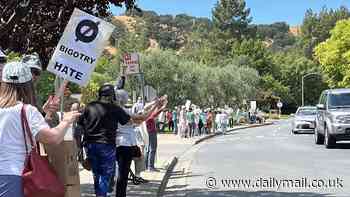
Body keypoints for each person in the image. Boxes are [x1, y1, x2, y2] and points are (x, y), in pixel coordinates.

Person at [0, 61, 80, 197]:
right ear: (28, 85)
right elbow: (53, 138)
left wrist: (44, 114)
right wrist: (66, 121)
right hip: (15, 175)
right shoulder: (26, 110)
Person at [77, 84, 132, 197]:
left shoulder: (90, 106)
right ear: (112, 96)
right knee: (105, 175)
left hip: (90, 145)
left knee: (97, 174)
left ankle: (100, 194)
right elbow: (128, 121)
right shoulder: (115, 108)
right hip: (106, 146)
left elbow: (80, 124)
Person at [114, 89, 163, 197]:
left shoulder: (117, 110)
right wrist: (155, 106)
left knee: (121, 175)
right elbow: (142, 118)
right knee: (122, 176)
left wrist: (155, 104)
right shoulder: (121, 111)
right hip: (124, 144)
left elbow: (138, 120)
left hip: (121, 143)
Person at [145, 96, 168, 171]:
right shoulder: (148, 112)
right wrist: (162, 107)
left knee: (148, 149)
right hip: (151, 132)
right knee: (152, 149)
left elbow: (155, 113)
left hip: (150, 131)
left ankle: (147, 166)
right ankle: (150, 166)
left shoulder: (146, 112)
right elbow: (155, 114)